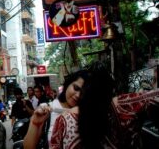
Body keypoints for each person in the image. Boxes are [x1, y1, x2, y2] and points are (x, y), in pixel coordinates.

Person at [24, 62, 159, 149]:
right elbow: (29, 147)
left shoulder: (104, 111)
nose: (78, 95)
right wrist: (35, 123)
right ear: (67, 84)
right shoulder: (47, 110)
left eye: (85, 92)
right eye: (76, 88)